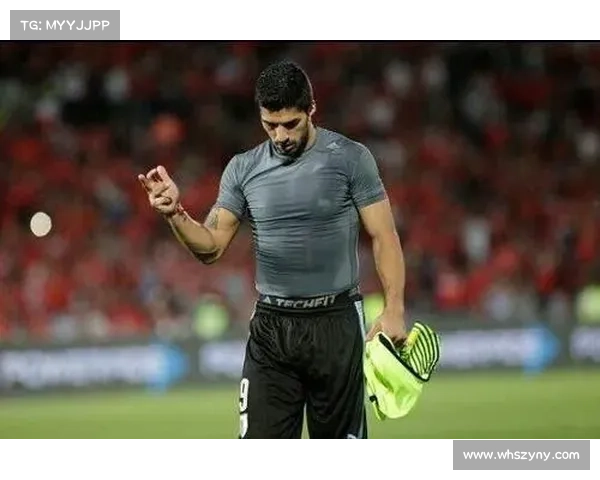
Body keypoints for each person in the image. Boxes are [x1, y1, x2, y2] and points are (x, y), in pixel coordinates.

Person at [138, 61, 408, 440]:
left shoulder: (351, 158)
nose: (280, 135)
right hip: (272, 327)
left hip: (337, 323)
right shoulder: (243, 169)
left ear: (311, 109)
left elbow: (384, 236)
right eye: (270, 125)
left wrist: (394, 309)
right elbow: (211, 247)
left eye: (290, 124)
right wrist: (175, 213)